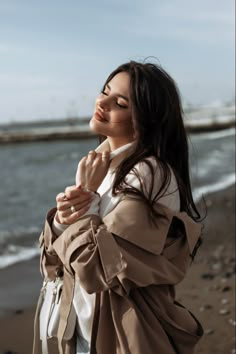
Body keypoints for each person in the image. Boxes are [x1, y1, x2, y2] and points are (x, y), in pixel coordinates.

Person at [33, 60, 204, 354]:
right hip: (83, 328)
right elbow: (54, 266)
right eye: (105, 91)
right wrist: (62, 221)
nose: (102, 101)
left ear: (146, 120)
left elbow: (98, 269)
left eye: (121, 103)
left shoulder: (150, 174)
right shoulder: (103, 167)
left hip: (122, 335)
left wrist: (85, 199)